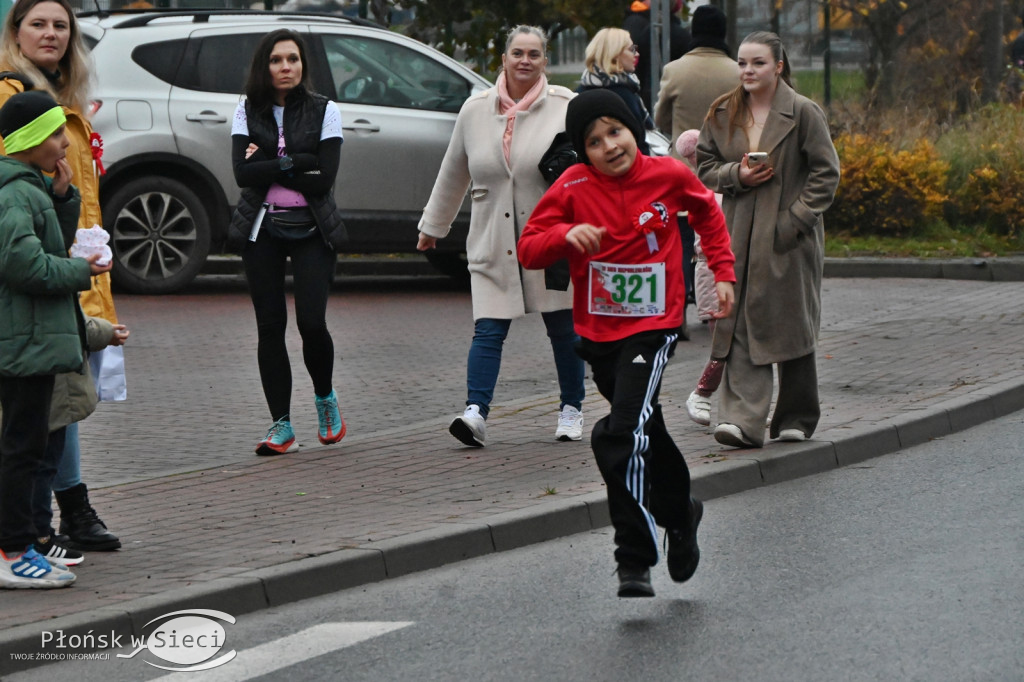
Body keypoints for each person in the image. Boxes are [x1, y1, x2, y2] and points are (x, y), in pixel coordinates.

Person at [519, 89, 736, 598]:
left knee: (619, 434)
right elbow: (529, 246)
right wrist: (565, 236)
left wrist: (722, 272)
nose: (608, 146)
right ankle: (681, 515)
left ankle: (634, 556)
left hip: (653, 325)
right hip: (598, 334)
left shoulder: (668, 174)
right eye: (593, 141)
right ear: (583, 150)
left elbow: (707, 213)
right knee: (643, 428)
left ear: (632, 131)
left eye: (615, 132)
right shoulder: (572, 185)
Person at [417, 25, 585, 447]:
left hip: (551, 241)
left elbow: (594, 167)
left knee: (563, 329)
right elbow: (453, 171)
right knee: (488, 329)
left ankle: (572, 408)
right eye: (517, 53)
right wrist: (432, 227)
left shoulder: (567, 107)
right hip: (492, 239)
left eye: (534, 54)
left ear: (545, 61)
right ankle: (475, 413)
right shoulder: (475, 111)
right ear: (504, 59)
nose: (525, 61)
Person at [0, 0, 124, 552]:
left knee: (62, 397)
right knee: (37, 418)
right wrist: (73, 267)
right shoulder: (12, 98)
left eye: (60, 26)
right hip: (41, 280)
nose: (51, 34)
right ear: (15, 33)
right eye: (38, 24)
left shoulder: (65, 100)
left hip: (71, 264)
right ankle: (35, 530)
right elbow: (19, 219)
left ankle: (53, 520)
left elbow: (58, 197)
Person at [697, 31, 840, 448]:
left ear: (778, 66)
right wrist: (735, 176)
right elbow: (704, 164)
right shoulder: (723, 112)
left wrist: (794, 220)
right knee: (737, 321)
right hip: (738, 234)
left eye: (757, 63)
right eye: (742, 63)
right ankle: (741, 420)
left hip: (789, 241)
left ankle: (795, 416)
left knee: (790, 325)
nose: (747, 71)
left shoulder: (803, 112)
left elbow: (825, 173)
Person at [0, 90, 108, 587]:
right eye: (57, 134)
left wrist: (65, 198)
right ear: (32, 139)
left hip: (32, 339)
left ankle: (23, 543)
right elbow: (25, 265)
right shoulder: (13, 193)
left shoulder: (29, 187)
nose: (66, 143)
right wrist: (78, 270)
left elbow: (46, 244)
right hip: (23, 341)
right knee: (21, 448)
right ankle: (13, 551)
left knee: (29, 445)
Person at [228, 29, 348, 456]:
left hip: (313, 227)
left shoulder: (325, 110)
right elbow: (242, 176)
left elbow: (325, 178)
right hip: (263, 228)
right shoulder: (246, 110)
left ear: (303, 65)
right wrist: (297, 160)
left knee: (312, 323)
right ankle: (281, 425)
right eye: (277, 60)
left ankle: (325, 399)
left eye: (293, 59)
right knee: (270, 326)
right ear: (265, 66)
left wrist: (268, 163)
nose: (286, 67)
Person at [653, 4, 738, 309]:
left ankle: (678, 307)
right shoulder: (737, 72)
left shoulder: (675, 70)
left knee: (682, 240)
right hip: (724, 169)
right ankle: (718, 300)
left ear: (694, 30)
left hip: (682, 171)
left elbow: (660, 119)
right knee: (717, 238)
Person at [676, 129, 724, 426]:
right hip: (709, 268)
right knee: (726, 341)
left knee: (740, 341)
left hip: (733, 267)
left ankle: (746, 405)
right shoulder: (696, 187)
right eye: (695, 156)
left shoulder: (727, 178)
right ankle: (701, 393)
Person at [577, 27, 653, 155]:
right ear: (614, 54)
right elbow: (639, 146)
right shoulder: (625, 96)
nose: (637, 54)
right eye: (632, 49)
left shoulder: (579, 92)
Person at [622, 0, 691, 111]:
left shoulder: (646, 25)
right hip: (657, 89)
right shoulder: (638, 22)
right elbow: (631, 49)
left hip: (648, 89)